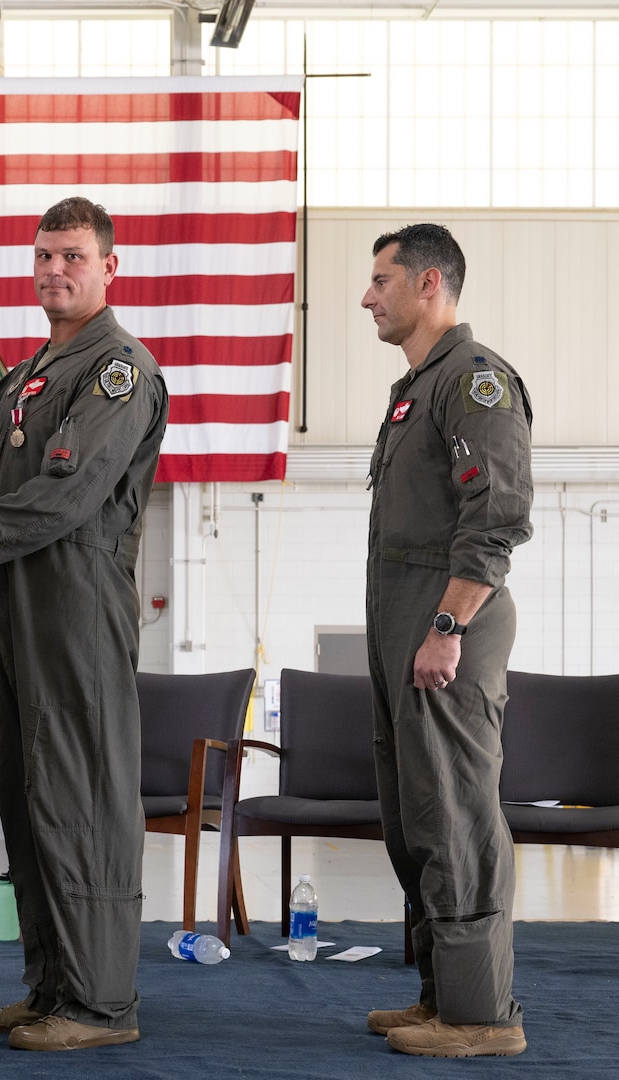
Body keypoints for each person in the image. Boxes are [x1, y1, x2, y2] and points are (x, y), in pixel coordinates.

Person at [0, 196, 168, 1052]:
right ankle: (52, 987)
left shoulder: (116, 369)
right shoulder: (31, 373)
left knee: (80, 802)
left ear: (109, 268)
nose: (54, 270)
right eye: (44, 255)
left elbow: (62, 498)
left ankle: (99, 1004)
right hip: (16, 610)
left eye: (73, 257)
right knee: (28, 801)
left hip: (75, 614)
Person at [360, 223, 532, 1058]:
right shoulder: (418, 389)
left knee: (457, 814)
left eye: (381, 281)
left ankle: (481, 1016)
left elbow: (495, 522)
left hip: (444, 631)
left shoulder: (474, 380)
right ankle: (442, 996)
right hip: (407, 629)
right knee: (415, 817)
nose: (367, 296)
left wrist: (446, 627)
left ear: (429, 284)